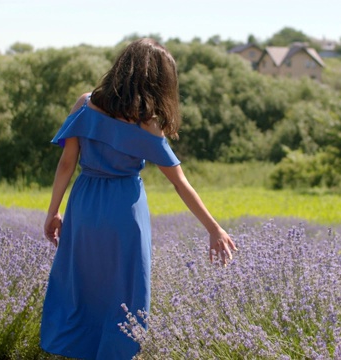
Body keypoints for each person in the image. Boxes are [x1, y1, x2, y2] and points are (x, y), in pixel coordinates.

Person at [41, 38, 237, 360]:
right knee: (125, 294)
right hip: (124, 210)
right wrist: (214, 228)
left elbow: (66, 163)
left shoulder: (84, 103)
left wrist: (53, 212)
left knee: (81, 285)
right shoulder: (148, 124)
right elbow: (180, 183)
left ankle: (73, 351)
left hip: (84, 204)